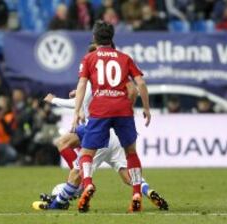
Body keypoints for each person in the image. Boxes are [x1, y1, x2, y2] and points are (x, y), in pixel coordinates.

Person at [33, 85, 168, 211]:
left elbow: (78, 102)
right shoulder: (112, 81)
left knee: (75, 172)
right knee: (127, 176)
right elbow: (133, 90)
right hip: (115, 134)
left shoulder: (92, 78)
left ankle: (60, 202)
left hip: (97, 132)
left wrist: (54, 99)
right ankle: (147, 190)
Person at [73, 21, 151, 213]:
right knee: (131, 153)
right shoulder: (124, 57)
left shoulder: (89, 58)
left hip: (100, 109)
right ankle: (136, 194)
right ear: (112, 38)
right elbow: (140, 83)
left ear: (94, 38)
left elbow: (82, 85)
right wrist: (147, 108)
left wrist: (77, 111)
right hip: (123, 108)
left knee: (86, 154)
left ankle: (88, 183)